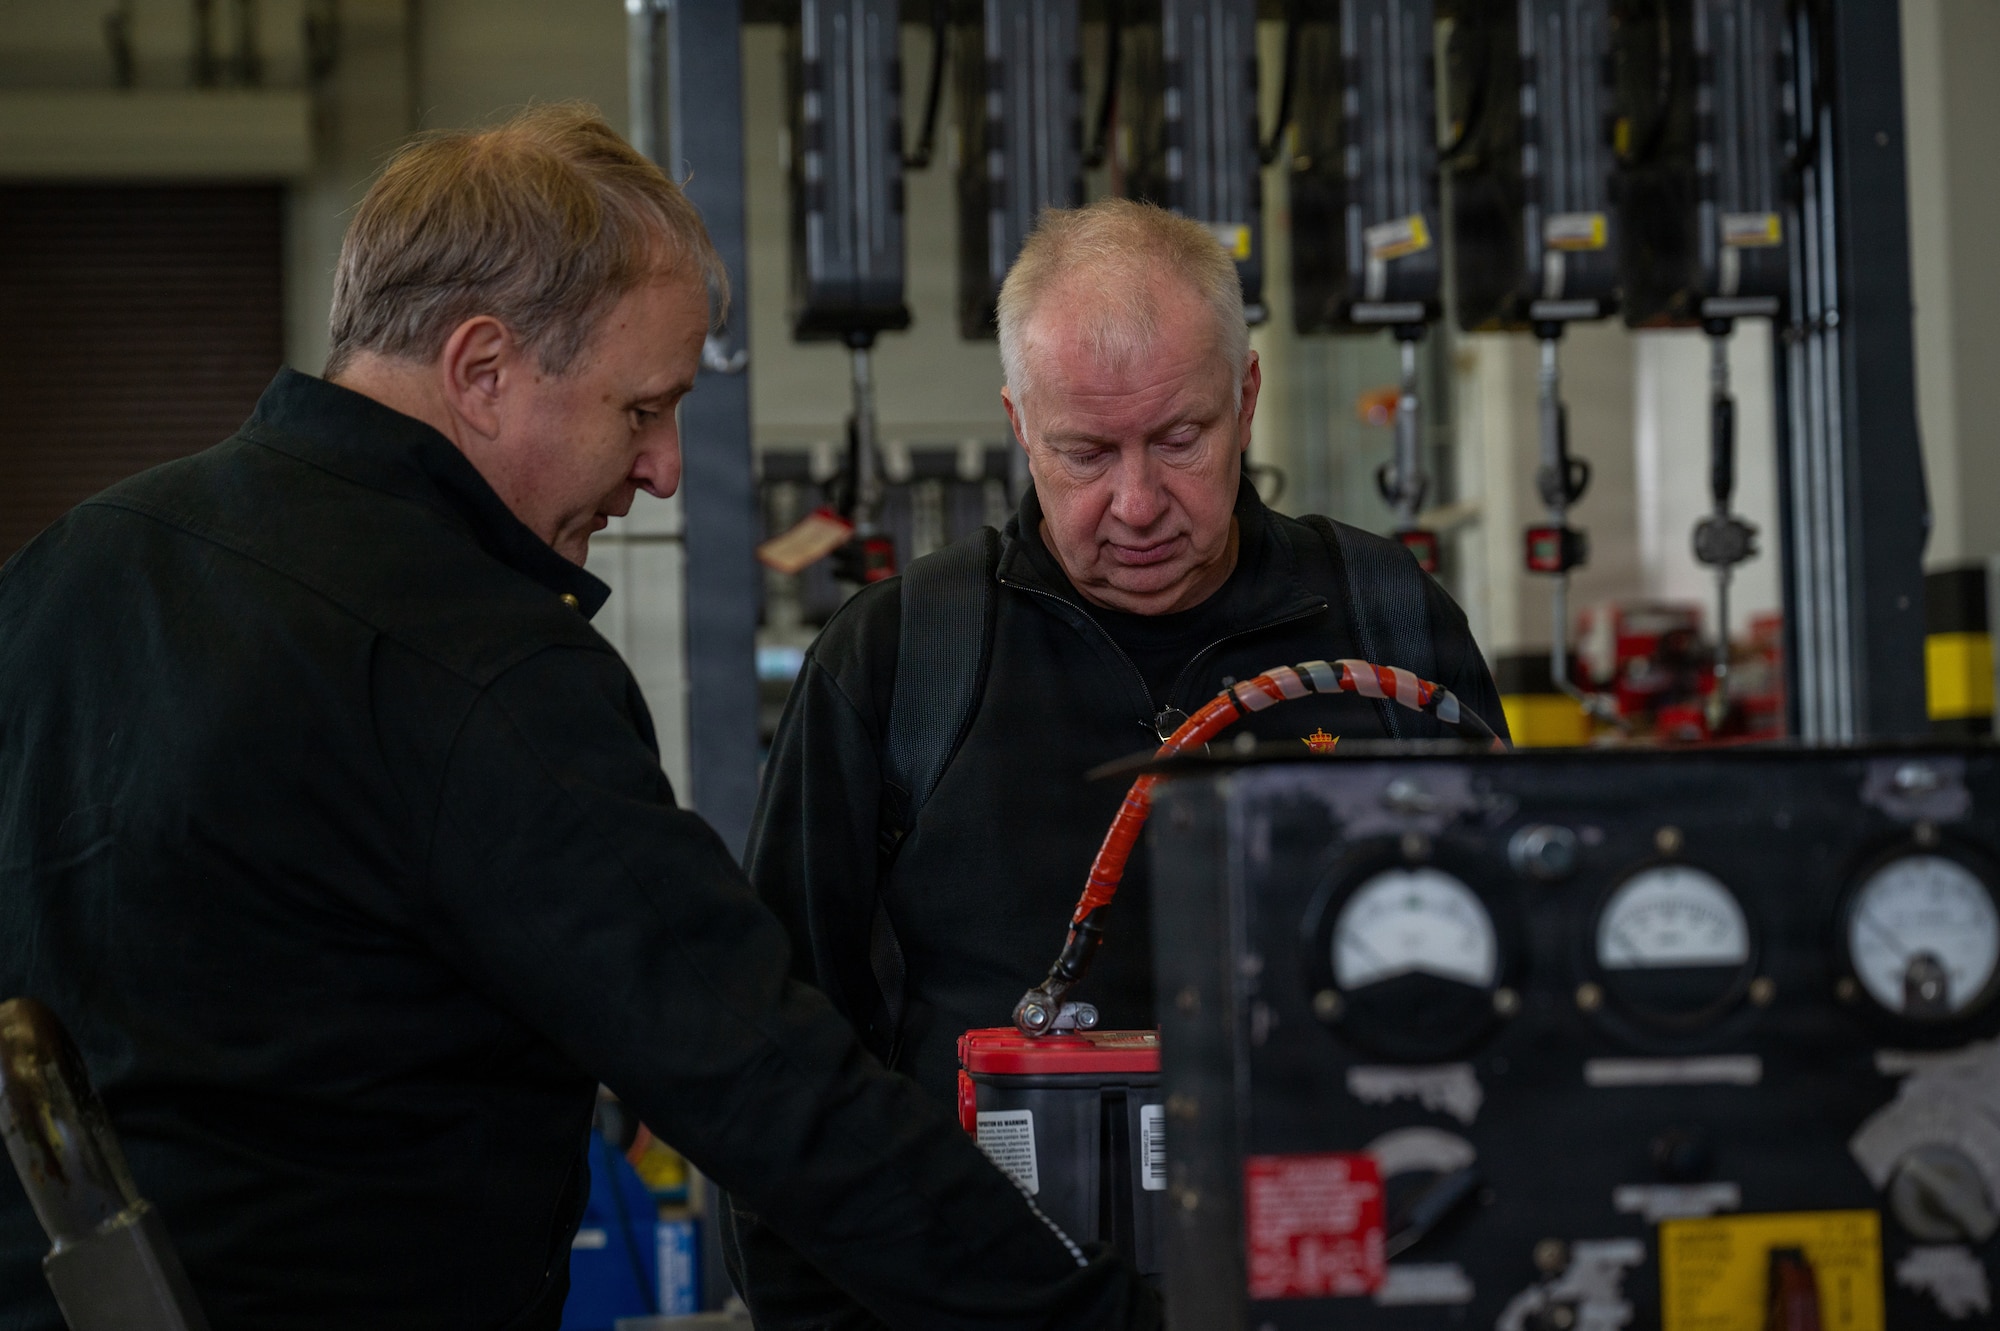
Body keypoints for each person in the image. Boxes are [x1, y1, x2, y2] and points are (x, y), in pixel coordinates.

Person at [0, 107, 1159, 1331]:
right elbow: (760, 1077)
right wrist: (1094, 1318)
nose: (662, 467)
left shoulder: (65, 571)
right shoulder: (474, 661)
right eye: (641, 409)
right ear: (483, 370)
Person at [728, 198, 1509, 1325]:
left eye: (1179, 438)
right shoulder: (906, 659)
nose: (1136, 504)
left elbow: (1519, 983)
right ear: (1016, 424)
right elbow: (782, 1058)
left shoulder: (1387, 626)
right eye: (1084, 452)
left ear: (1243, 397)